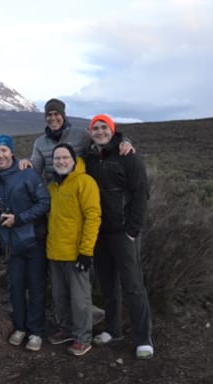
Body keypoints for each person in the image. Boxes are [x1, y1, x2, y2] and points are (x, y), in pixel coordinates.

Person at [83, 114, 155, 360]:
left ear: (113, 131)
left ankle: (143, 338)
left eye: (104, 127)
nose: (100, 131)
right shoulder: (89, 158)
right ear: (90, 132)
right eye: (96, 128)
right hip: (100, 232)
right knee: (108, 285)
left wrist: (133, 229)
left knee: (133, 285)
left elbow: (140, 194)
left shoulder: (128, 157)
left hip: (123, 233)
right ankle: (113, 330)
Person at [0, 134, 51, 352]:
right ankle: (20, 327)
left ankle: (36, 331)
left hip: (33, 240)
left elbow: (44, 202)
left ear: (12, 152)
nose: (0, 155)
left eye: (4, 150)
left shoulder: (27, 173)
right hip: (11, 244)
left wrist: (20, 218)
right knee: (15, 287)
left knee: (35, 286)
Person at [44, 143, 102, 356]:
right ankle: (67, 329)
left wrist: (86, 251)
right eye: (57, 158)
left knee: (80, 299)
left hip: (76, 253)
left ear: (73, 160)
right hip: (55, 252)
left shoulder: (84, 182)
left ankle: (83, 337)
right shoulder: (53, 187)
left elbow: (93, 217)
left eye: (64, 157)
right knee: (60, 297)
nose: (60, 161)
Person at [19, 98, 134, 182]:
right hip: (55, 194)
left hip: (81, 192)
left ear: (63, 116)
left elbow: (104, 140)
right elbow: (35, 168)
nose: (53, 118)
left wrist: (125, 142)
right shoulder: (40, 143)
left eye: (56, 114)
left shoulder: (81, 135)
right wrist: (27, 163)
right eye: (49, 115)